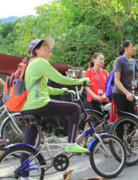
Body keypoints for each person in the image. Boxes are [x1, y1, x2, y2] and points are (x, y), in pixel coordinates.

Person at [20, 37, 90, 180]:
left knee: (27, 145)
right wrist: (80, 80)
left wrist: (62, 91)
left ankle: (23, 176)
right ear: (36, 51)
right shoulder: (40, 62)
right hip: (39, 104)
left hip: (27, 107)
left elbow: (46, 88)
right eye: (45, 46)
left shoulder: (30, 64)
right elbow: (60, 78)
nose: (49, 47)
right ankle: (71, 143)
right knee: (75, 109)